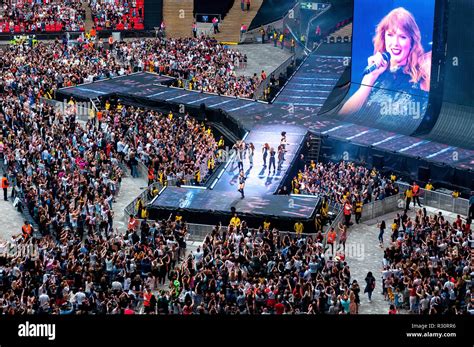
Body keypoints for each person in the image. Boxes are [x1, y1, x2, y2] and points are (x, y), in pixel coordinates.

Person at [339, 7, 431, 116]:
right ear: (384, 37)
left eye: (402, 37)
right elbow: (342, 115)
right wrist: (370, 78)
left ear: (412, 41)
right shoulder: (377, 73)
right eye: (390, 35)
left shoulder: (421, 73)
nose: (395, 43)